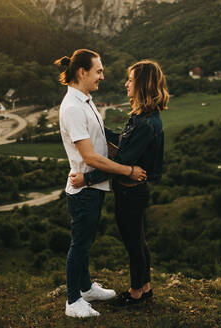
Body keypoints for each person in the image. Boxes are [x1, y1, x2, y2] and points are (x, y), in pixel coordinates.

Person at [55, 49, 147, 318]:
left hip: (93, 187)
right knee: (80, 243)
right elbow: (90, 157)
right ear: (82, 72)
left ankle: (85, 287)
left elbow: (100, 138)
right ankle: (73, 301)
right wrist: (128, 170)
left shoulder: (85, 100)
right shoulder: (72, 107)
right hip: (84, 189)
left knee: (87, 239)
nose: (102, 77)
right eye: (98, 71)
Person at [69, 60, 169, 306]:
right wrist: (95, 128)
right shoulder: (144, 117)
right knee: (137, 238)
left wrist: (87, 178)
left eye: (131, 80)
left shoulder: (145, 123)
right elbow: (124, 143)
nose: (126, 84)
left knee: (133, 242)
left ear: (143, 85)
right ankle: (145, 288)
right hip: (132, 191)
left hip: (131, 193)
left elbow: (120, 162)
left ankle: (136, 293)